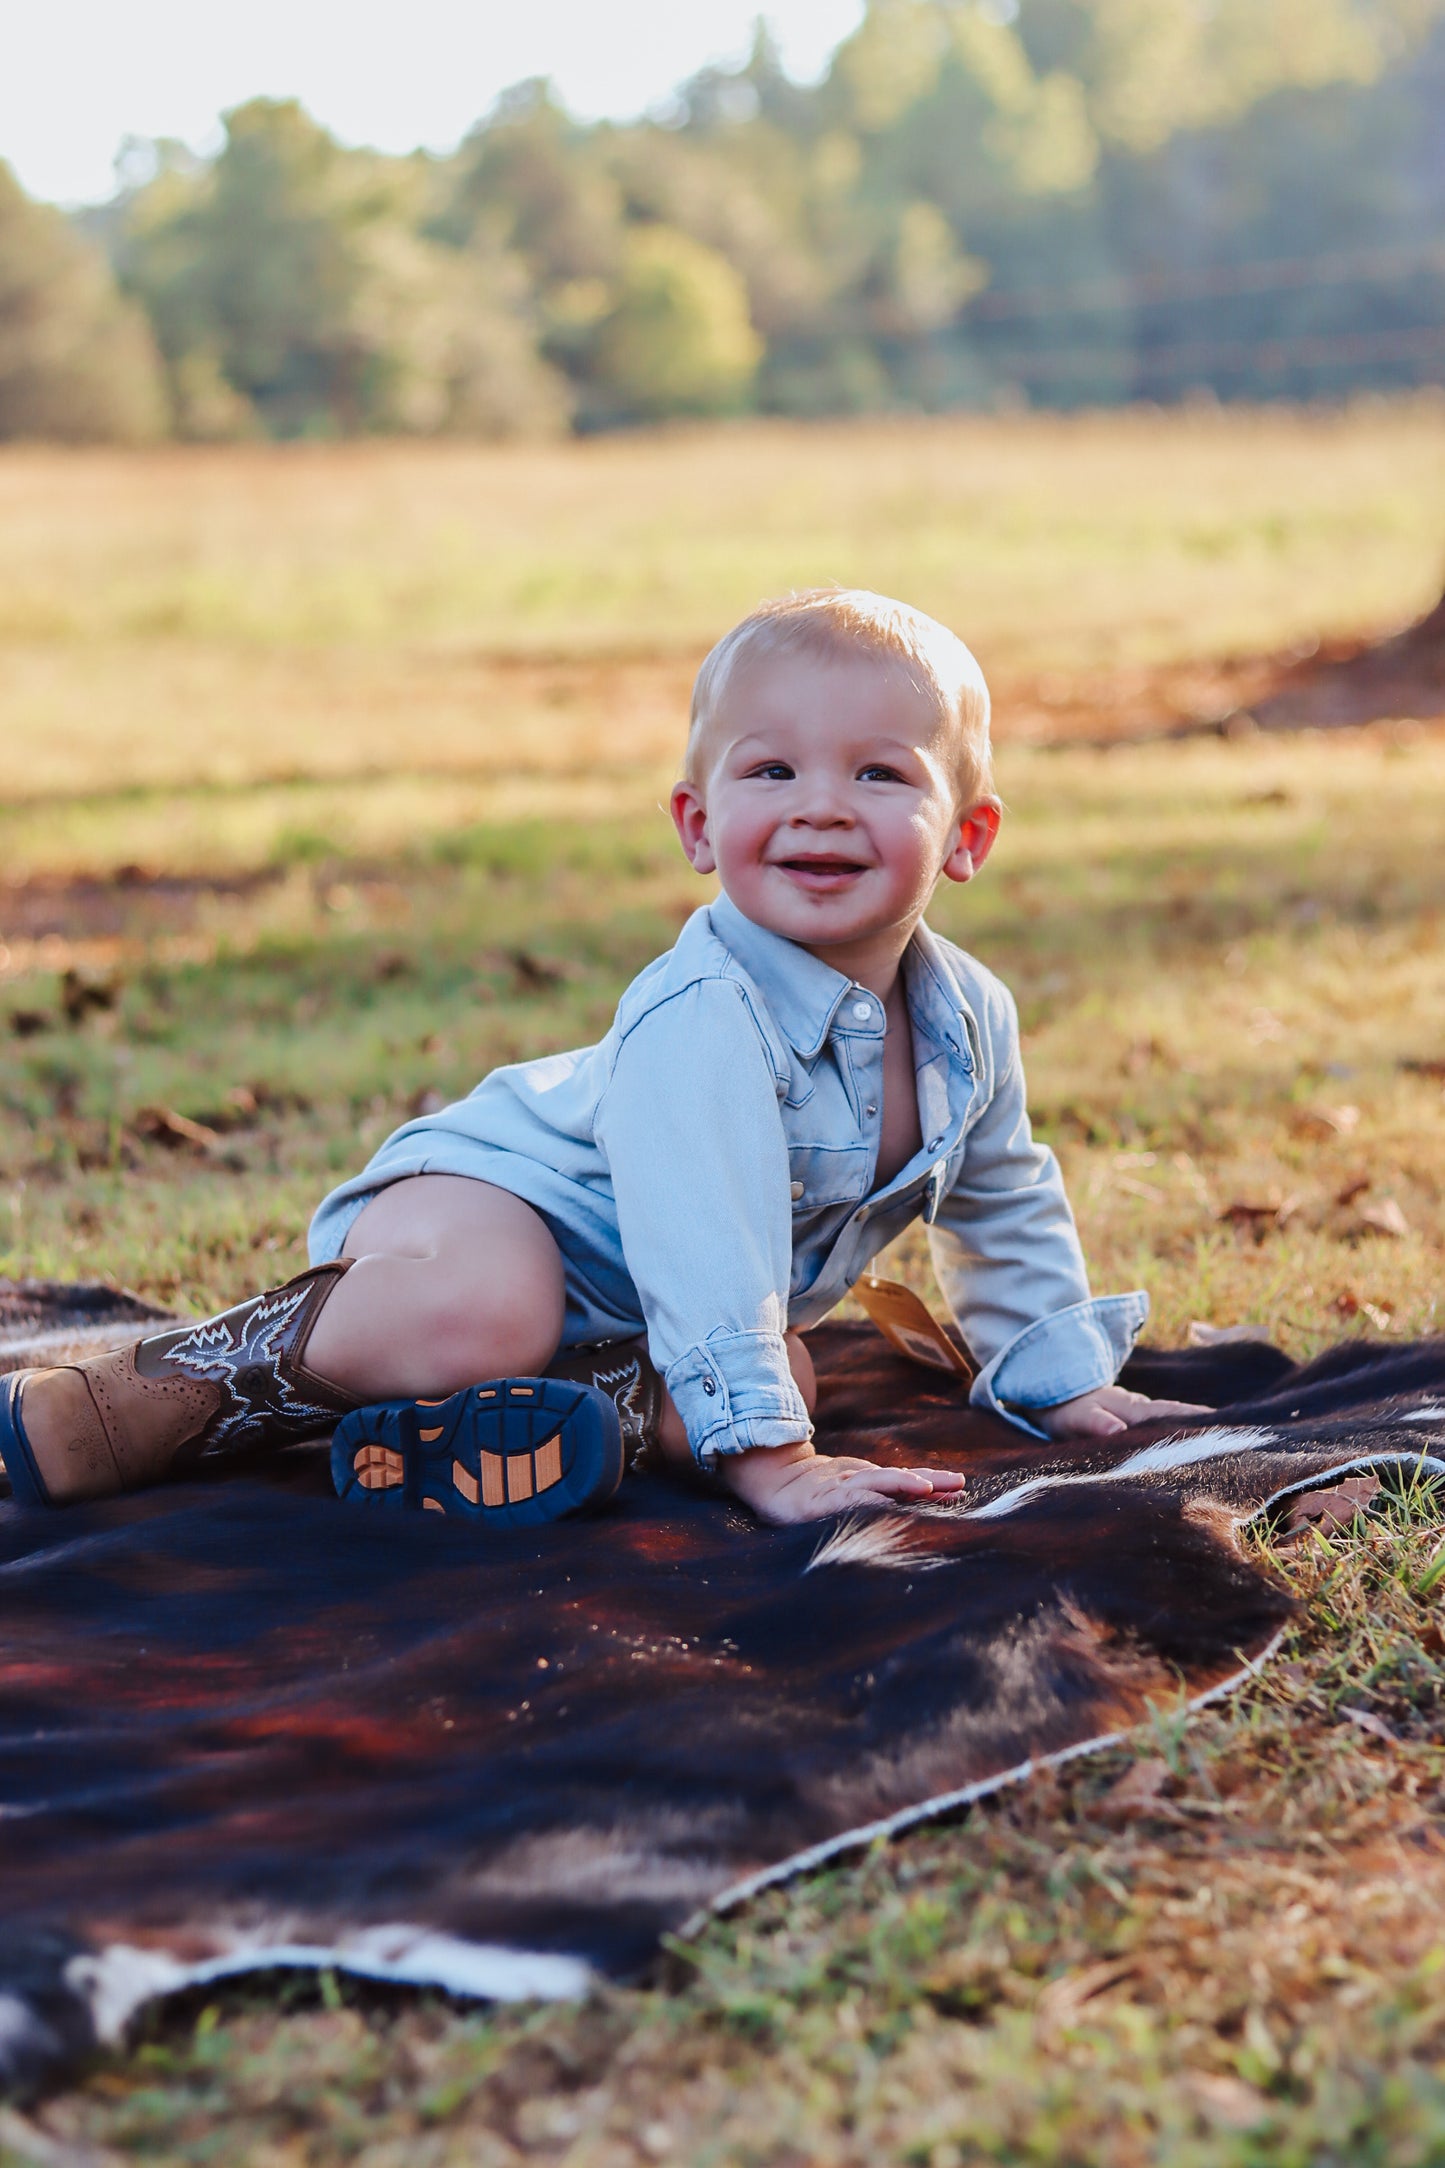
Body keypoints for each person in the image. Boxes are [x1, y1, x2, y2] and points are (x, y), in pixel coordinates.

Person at [0, 590, 1203, 1527]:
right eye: (770, 769)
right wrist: (771, 1462)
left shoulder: (964, 1019)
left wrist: (1051, 1370)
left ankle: (504, 1432)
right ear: (696, 821)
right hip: (491, 1206)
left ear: (966, 836)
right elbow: (699, 1212)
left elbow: (1000, 1193)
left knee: (770, 1359)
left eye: (879, 772)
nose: (821, 806)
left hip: (634, 1303)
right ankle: (167, 1391)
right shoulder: (703, 1011)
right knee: (500, 1313)